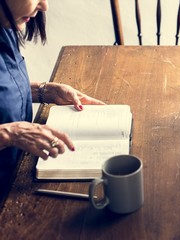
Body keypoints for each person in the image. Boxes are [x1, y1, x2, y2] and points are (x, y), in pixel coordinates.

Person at [0, 0, 104, 198]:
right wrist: (10, 133)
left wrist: (45, 92)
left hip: (18, 175)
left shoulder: (5, 25)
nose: (44, 6)